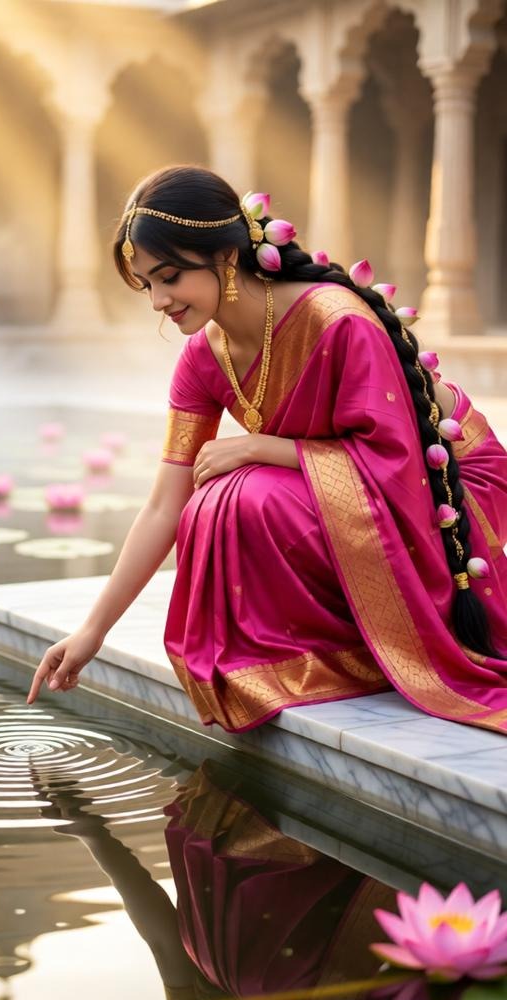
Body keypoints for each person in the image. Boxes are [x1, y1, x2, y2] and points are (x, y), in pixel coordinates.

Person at [27, 164, 507, 735]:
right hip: (360, 492)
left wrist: (260, 448)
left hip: (449, 489)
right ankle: (331, 648)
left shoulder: (336, 323)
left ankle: (375, 640)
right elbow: (164, 505)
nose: (157, 300)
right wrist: (91, 633)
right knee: (213, 502)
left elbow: (396, 465)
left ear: (226, 257)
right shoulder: (204, 357)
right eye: (147, 285)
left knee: (242, 497)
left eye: (170, 277)